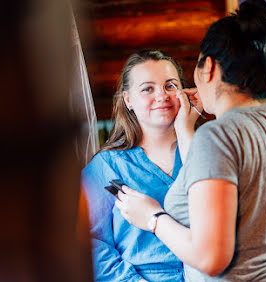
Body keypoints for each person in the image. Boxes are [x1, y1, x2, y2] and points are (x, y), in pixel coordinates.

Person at [115, 0, 266, 281]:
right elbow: (211, 174)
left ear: (208, 67)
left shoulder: (216, 136)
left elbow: (211, 258)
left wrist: (153, 219)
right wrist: (187, 127)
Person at [82, 50, 202, 281]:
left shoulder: (206, 152)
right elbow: (90, 244)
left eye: (170, 86)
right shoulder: (106, 166)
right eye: (148, 88)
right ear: (128, 100)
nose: (162, 96)